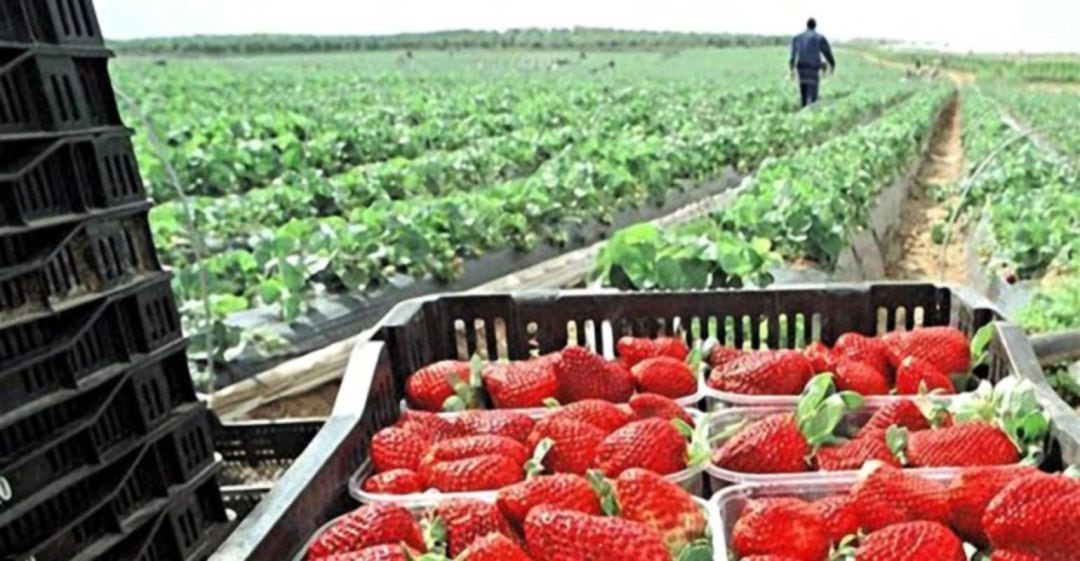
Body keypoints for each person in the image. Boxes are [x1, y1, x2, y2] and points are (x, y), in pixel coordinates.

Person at [789, 18, 836, 108]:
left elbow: (793, 55)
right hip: (813, 69)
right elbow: (827, 52)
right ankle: (810, 113)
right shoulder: (820, 38)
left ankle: (803, 110)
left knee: (803, 93)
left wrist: (791, 68)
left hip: (801, 69)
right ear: (815, 26)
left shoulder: (797, 38)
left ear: (807, 25)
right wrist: (832, 64)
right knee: (813, 95)